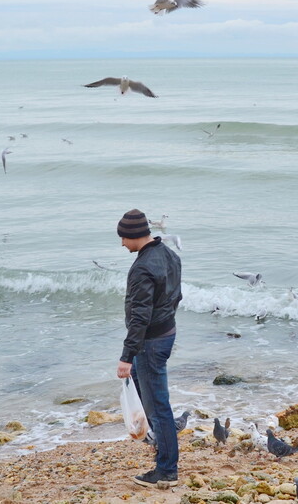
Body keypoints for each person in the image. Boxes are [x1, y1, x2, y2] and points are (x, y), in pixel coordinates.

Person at [115, 208, 182, 487]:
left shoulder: (142, 267)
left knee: (157, 407)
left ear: (133, 236)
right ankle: (163, 452)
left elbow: (140, 316)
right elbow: (177, 295)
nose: (121, 243)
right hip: (165, 333)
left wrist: (126, 356)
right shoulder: (168, 253)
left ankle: (167, 470)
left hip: (150, 342)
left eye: (122, 238)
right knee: (151, 401)